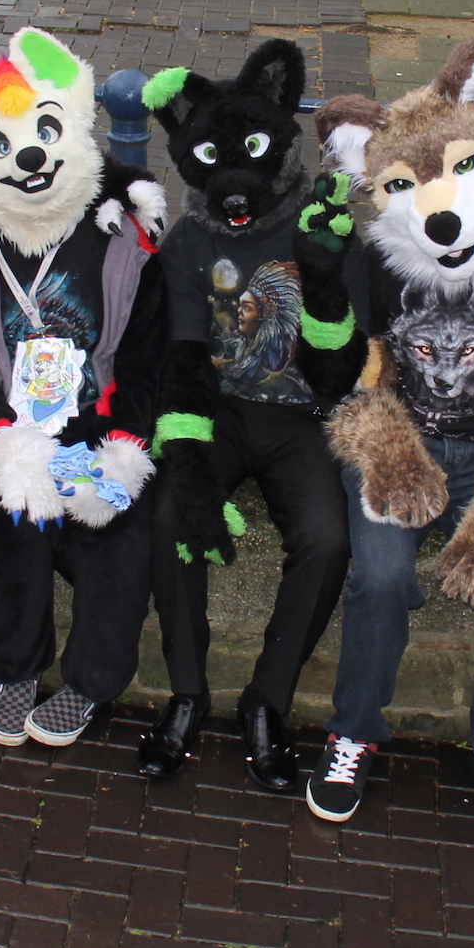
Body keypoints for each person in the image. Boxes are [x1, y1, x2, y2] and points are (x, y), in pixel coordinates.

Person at [301, 41, 474, 826]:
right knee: (381, 579)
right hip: (405, 442)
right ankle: (354, 732)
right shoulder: (383, 261)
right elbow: (355, 374)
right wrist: (386, 449)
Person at [0, 28, 170, 751]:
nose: (28, 157)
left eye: (45, 133)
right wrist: (0, 439)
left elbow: (147, 356)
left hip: (95, 425)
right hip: (5, 428)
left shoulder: (123, 234)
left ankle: (91, 680)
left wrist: (124, 444)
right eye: (0, 144)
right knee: (8, 531)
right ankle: (17, 669)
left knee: (119, 536)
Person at [138, 40, 351, 792]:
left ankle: (268, 700)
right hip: (223, 409)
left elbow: (343, 366)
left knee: (327, 538)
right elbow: (182, 355)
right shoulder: (192, 239)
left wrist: (328, 280)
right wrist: (189, 459)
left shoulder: (318, 223)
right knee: (171, 516)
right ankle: (188, 692)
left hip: (302, 417)